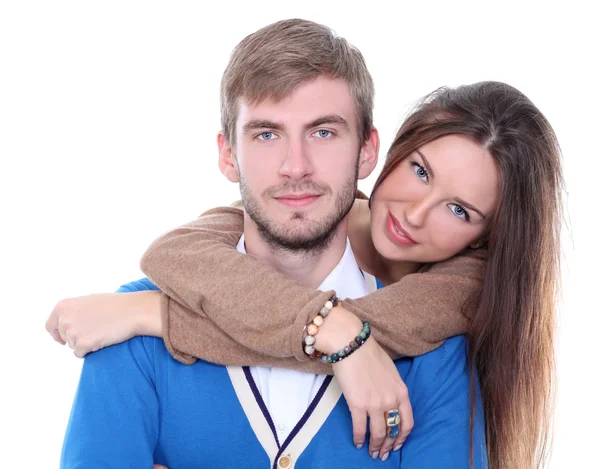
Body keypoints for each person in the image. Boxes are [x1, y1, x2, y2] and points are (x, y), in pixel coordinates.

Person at [50, 19, 564, 469]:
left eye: (322, 132)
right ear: (228, 156)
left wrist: (163, 317)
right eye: (267, 134)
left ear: (365, 151)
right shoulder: (127, 335)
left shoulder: (441, 350)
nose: (296, 166)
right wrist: (338, 334)